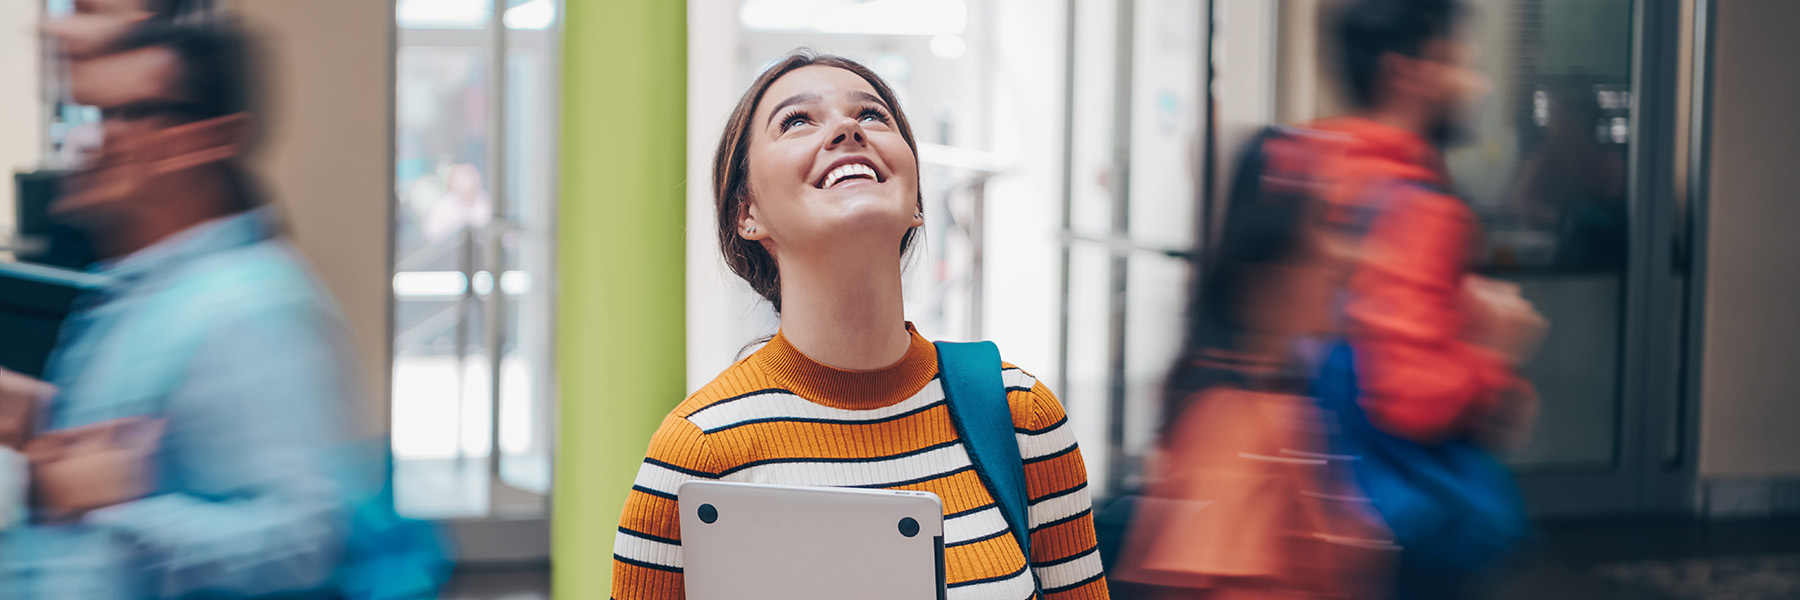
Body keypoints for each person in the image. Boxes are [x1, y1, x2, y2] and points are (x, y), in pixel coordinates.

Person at [611, 50, 1109, 600]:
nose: (848, 127)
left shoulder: (1020, 417)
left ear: (916, 202)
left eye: (872, 116)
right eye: (797, 120)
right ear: (746, 212)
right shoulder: (697, 452)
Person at [0, 22, 445, 599]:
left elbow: (304, 538)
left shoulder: (250, 310)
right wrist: (41, 422)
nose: (90, 141)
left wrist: (110, 506)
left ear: (207, 139)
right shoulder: (141, 287)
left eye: (125, 114)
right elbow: (144, 450)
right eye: (86, 113)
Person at [1304, 1, 1547, 597]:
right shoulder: (1418, 207)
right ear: (1404, 73)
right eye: (1461, 63)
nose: (1479, 84)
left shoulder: (1308, 169)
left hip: (1311, 507)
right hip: (1395, 535)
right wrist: (1493, 355)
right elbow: (1411, 396)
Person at [1109, 130, 1394, 599]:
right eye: (1326, 225)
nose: (1350, 256)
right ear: (1270, 261)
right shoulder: (1234, 425)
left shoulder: (1279, 393)